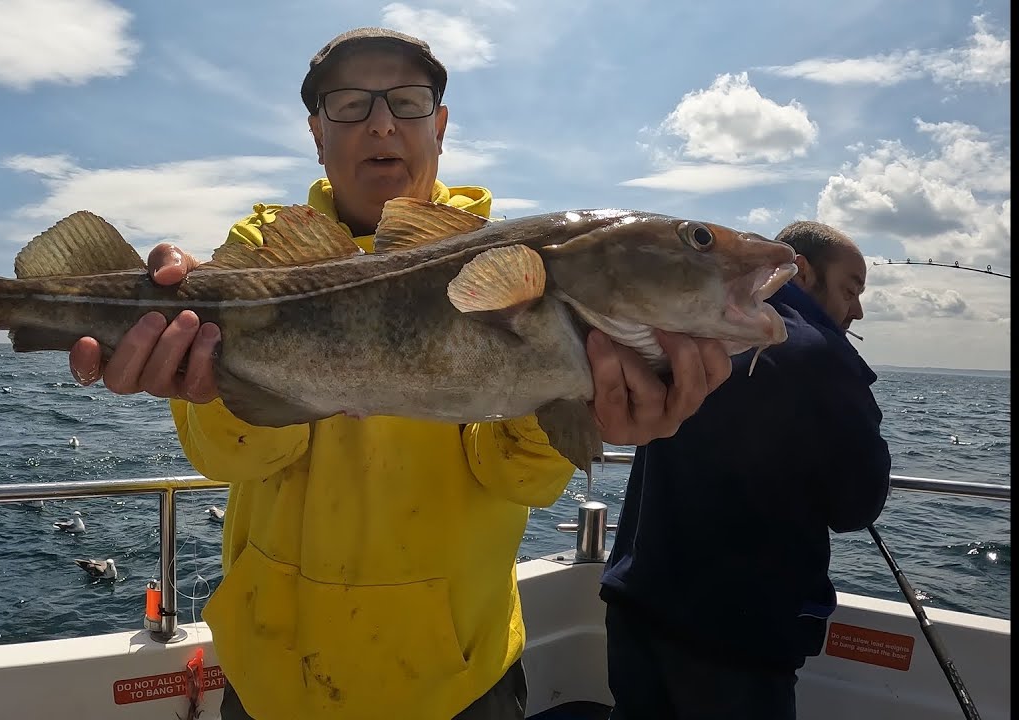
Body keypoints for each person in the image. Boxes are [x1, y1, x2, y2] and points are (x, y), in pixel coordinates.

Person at [69, 27, 733, 720]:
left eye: (408, 101)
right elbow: (228, 454)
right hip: (273, 680)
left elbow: (517, 480)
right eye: (350, 103)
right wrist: (200, 373)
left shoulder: (514, 273)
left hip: (454, 684)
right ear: (317, 133)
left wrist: (582, 400)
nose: (382, 122)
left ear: (439, 126)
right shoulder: (256, 258)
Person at [598, 219, 893, 720]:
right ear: (799, 274)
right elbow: (856, 505)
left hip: (638, 608)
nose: (857, 309)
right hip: (739, 642)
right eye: (850, 289)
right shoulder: (822, 361)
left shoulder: (695, 330)